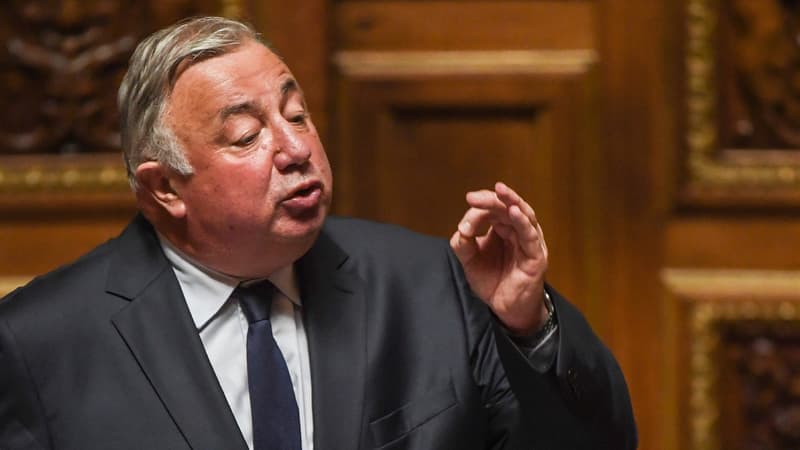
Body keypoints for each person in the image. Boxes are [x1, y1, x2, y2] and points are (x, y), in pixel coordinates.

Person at [0, 16, 636, 450]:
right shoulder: (38, 342)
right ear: (164, 187)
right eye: (247, 135)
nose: (294, 147)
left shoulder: (428, 282)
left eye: (297, 114)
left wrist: (530, 326)